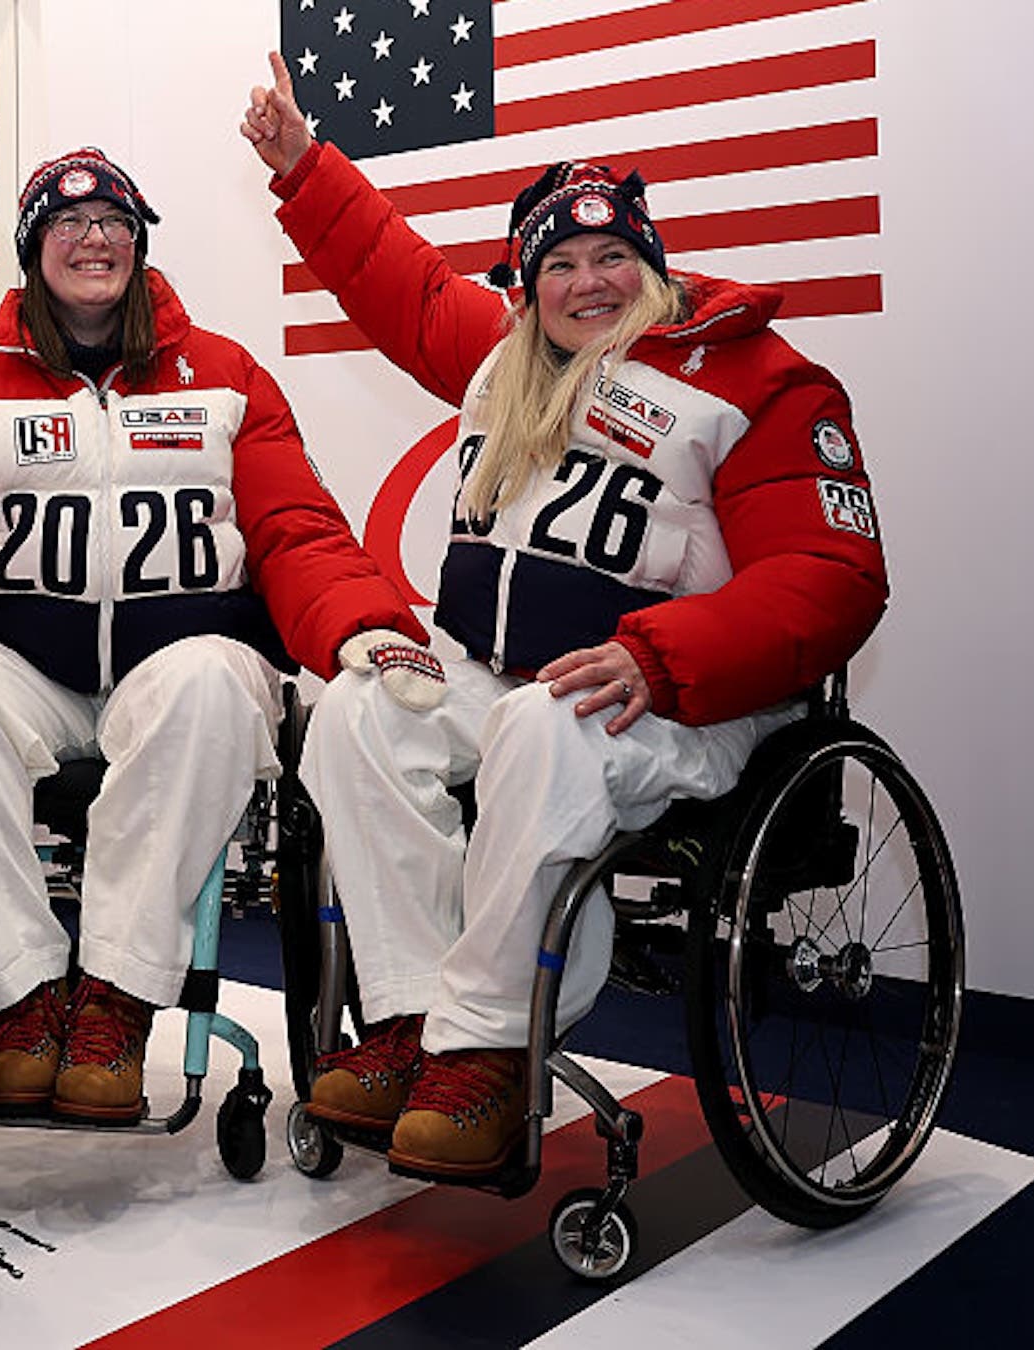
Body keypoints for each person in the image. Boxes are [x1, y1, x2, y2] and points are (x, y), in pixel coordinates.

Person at [240, 54, 889, 1179]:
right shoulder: (507, 363)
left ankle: (488, 1054)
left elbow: (833, 576)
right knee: (354, 713)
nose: (589, 282)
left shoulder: (761, 382)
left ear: (651, 267)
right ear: (530, 285)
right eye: (563, 264)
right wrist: (304, 169)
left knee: (545, 726)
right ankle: (405, 1026)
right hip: (498, 670)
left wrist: (659, 656)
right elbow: (399, 281)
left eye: (613, 258)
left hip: (680, 694)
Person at [0, 148, 423, 1125]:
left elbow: (296, 530)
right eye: (68, 225)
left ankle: (115, 1001)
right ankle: (22, 998)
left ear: (140, 246)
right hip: (29, 669)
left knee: (210, 684)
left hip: (180, 660)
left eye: (115, 224)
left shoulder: (224, 374)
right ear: (33, 250)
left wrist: (365, 632)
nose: (94, 240)